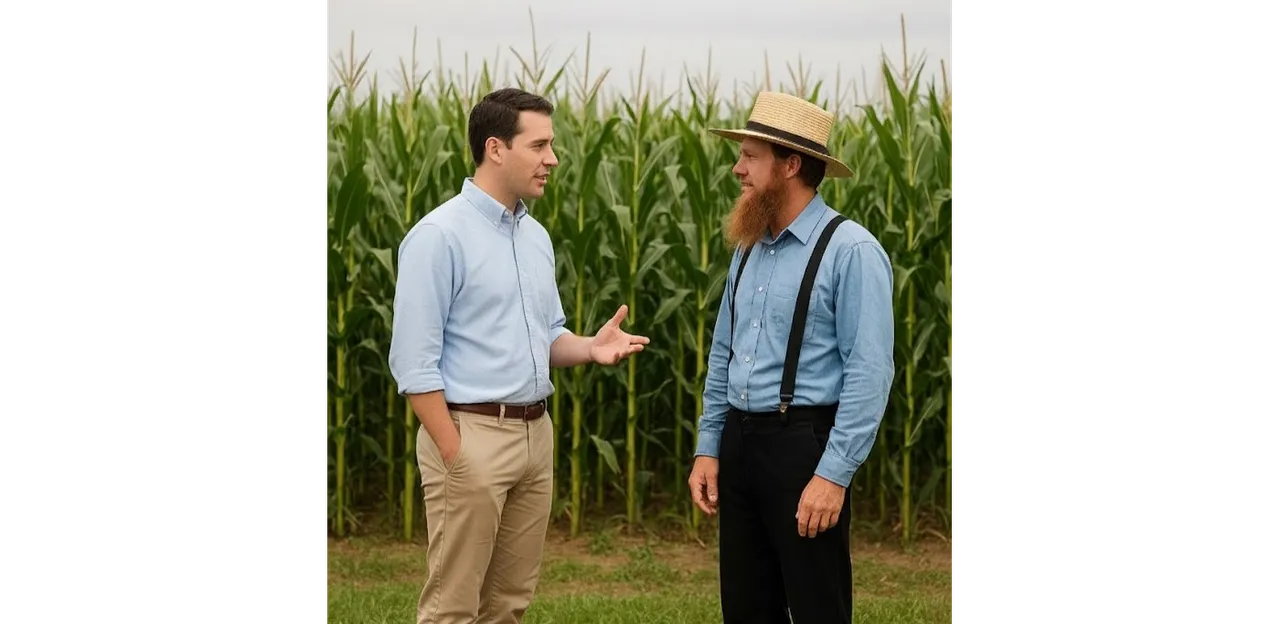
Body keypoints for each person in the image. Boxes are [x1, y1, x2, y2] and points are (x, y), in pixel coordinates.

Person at [389, 87, 651, 624]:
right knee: (452, 608)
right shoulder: (439, 237)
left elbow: (546, 336)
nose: (552, 159)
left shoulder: (536, 237)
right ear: (496, 148)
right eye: (540, 145)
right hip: (470, 437)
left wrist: (590, 347)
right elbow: (413, 364)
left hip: (536, 437)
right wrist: (455, 452)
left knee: (509, 605)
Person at [687, 91, 896, 624]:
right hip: (741, 444)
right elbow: (723, 355)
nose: (738, 169)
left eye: (750, 157)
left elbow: (870, 373)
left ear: (791, 164)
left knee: (817, 605)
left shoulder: (851, 251)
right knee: (745, 606)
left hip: (805, 448)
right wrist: (709, 446)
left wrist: (834, 475)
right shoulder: (748, 245)